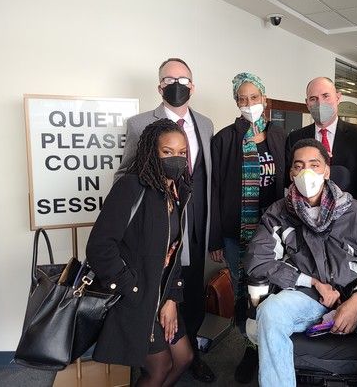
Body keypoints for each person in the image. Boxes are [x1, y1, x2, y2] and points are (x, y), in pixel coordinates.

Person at [245, 138, 357, 387]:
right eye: (299, 166)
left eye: (314, 165)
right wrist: (312, 282)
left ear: (326, 170)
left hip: (355, 296)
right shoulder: (279, 213)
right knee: (270, 312)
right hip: (306, 297)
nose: (306, 172)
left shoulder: (354, 212)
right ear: (291, 173)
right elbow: (258, 260)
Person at [114, 58, 215, 382]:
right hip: (158, 226)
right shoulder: (139, 124)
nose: (177, 84)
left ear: (192, 86)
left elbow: (205, 177)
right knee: (157, 286)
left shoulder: (206, 124)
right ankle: (152, 356)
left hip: (194, 225)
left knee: (191, 292)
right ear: (159, 86)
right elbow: (125, 173)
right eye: (169, 79)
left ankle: (190, 352)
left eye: (183, 79)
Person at [86, 119, 193, 386]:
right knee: (159, 368)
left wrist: (171, 298)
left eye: (182, 152)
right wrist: (131, 289)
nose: (176, 159)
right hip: (136, 296)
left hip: (162, 293)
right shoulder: (131, 186)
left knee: (184, 358)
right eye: (167, 152)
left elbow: (174, 251)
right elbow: (100, 247)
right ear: (151, 152)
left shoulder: (179, 191)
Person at [209, 72, 285, 383]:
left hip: (276, 231)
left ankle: (272, 343)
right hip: (236, 232)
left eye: (254, 97)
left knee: (275, 288)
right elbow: (214, 190)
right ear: (236, 103)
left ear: (264, 99)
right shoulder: (225, 139)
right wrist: (214, 238)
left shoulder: (279, 136)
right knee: (245, 290)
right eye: (242, 99)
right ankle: (250, 347)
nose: (249, 103)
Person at [285, 77, 357, 207]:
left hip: (349, 211)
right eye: (313, 99)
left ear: (338, 98)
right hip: (307, 211)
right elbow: (289, 179)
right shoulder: (295, 138)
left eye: (326, 96)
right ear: (307, 103)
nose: (320, 103)